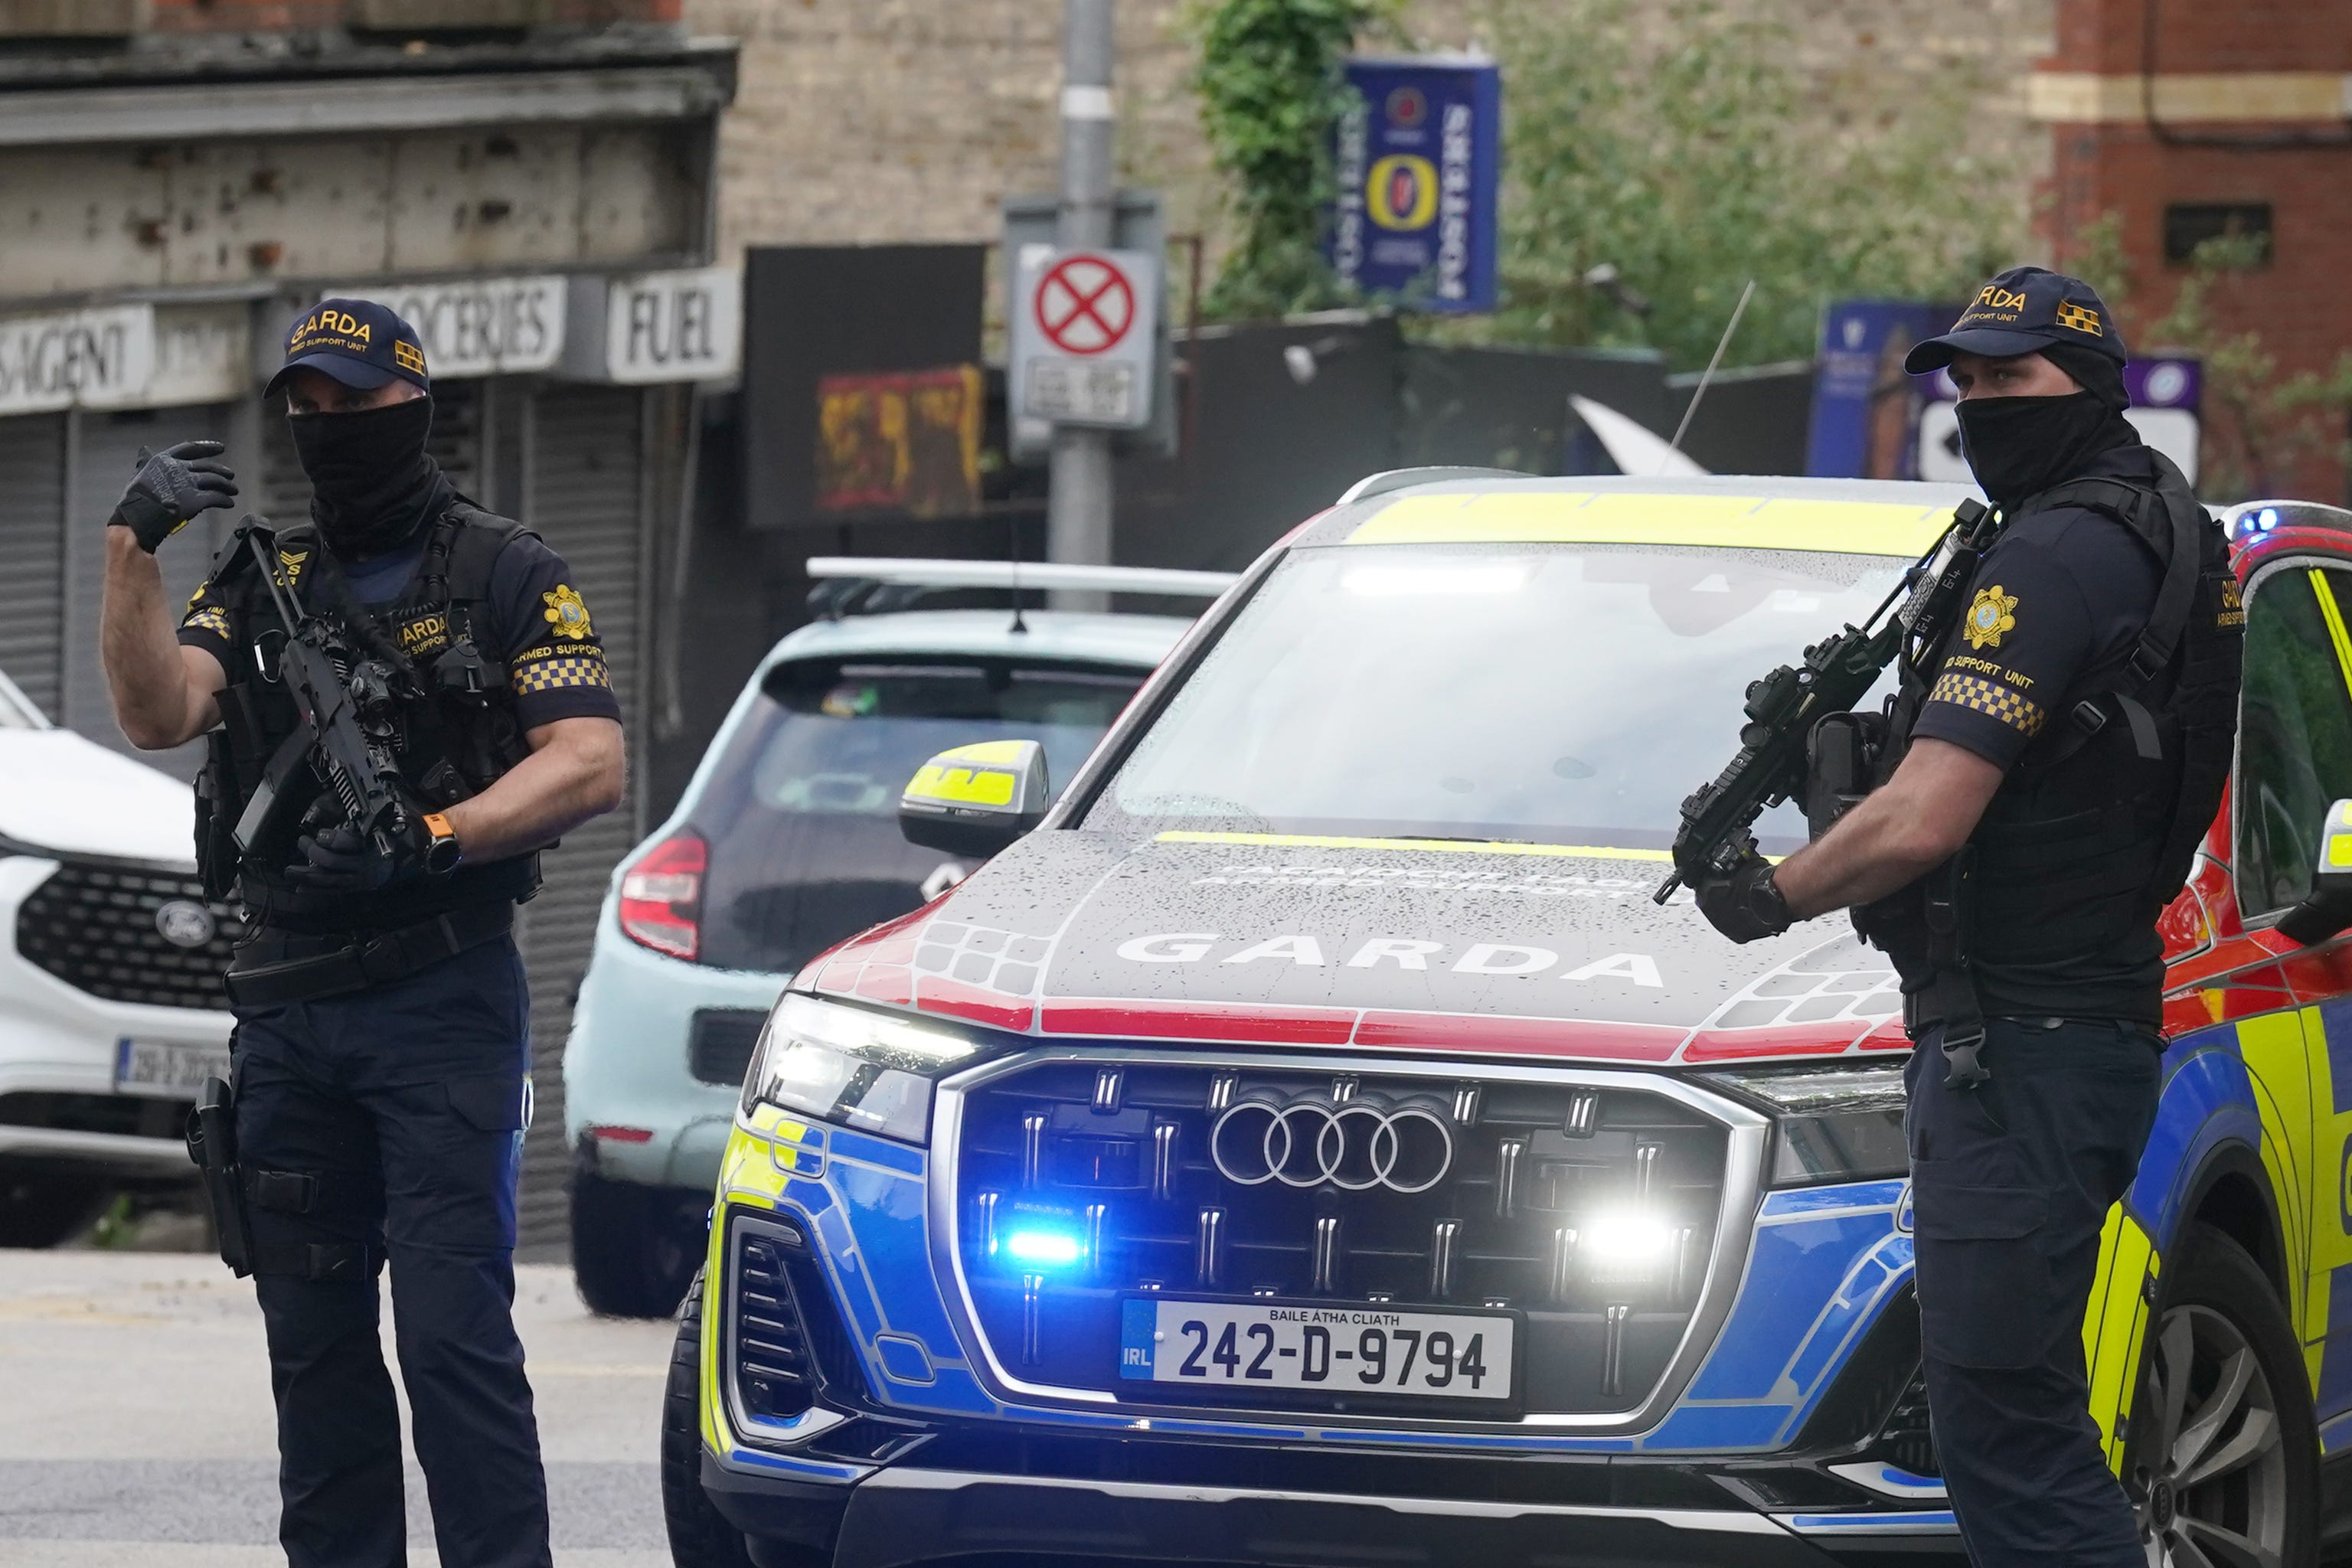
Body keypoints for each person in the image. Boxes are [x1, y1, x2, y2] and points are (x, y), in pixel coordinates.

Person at [1692, 266, 2240, 1566]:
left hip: (2020, 1047)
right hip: (2072, 1023)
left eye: (2015, 379)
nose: (1985, 403)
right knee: (2020, 1427)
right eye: (1971, 382)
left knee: (2014, 1444)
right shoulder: (2167, 526)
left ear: (2089, 389)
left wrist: (1769, 895)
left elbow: (1928, 814)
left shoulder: (2052, 555)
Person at [98, 298, 626, 1568]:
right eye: (306, 409)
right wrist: (131, 549)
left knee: (453, 1342)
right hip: (289, 1010)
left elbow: (592, 759)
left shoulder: (506, 570)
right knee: (317, 1354)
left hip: (441, 1000)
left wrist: (440, 834)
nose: (327, 428)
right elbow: (160, 712)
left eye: (353, 404)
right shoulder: (264, 584)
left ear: (413, 407)